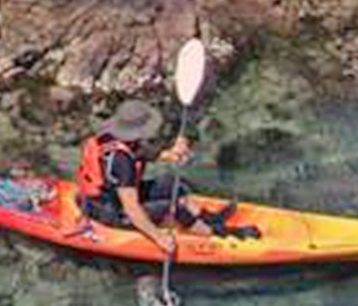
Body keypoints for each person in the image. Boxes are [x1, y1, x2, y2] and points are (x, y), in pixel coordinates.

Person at [73, 100, 254, 253]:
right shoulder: (122, 163)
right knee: (173, 208)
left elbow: (142, 153)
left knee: (173, 184)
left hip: (113, 196)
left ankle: (206, 218)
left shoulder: (113, 137)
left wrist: (172, 153)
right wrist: (159, 237)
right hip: (110, 211)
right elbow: (132, 210)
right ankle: (215, 234)